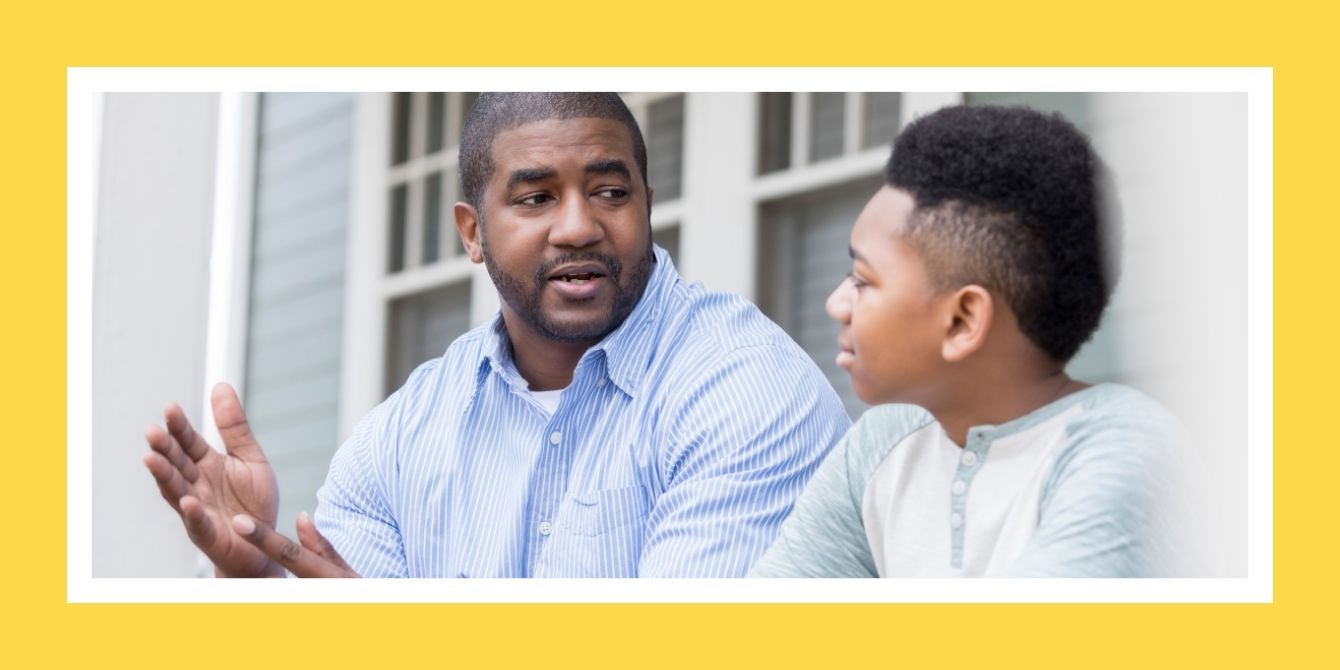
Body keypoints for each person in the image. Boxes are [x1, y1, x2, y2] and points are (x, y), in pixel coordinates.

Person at [143, 93, 851, 578]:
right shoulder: (402, 437)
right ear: (473, 232)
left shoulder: (744, 389)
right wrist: (266, 575)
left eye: (611, 191)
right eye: (536, 197)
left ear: (648, 204)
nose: (578, 225)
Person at [750, 105, 1207, 578]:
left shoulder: (1124, 453)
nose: (835, 303)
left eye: (863, 280)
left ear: (963, 320)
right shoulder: (882, 442)